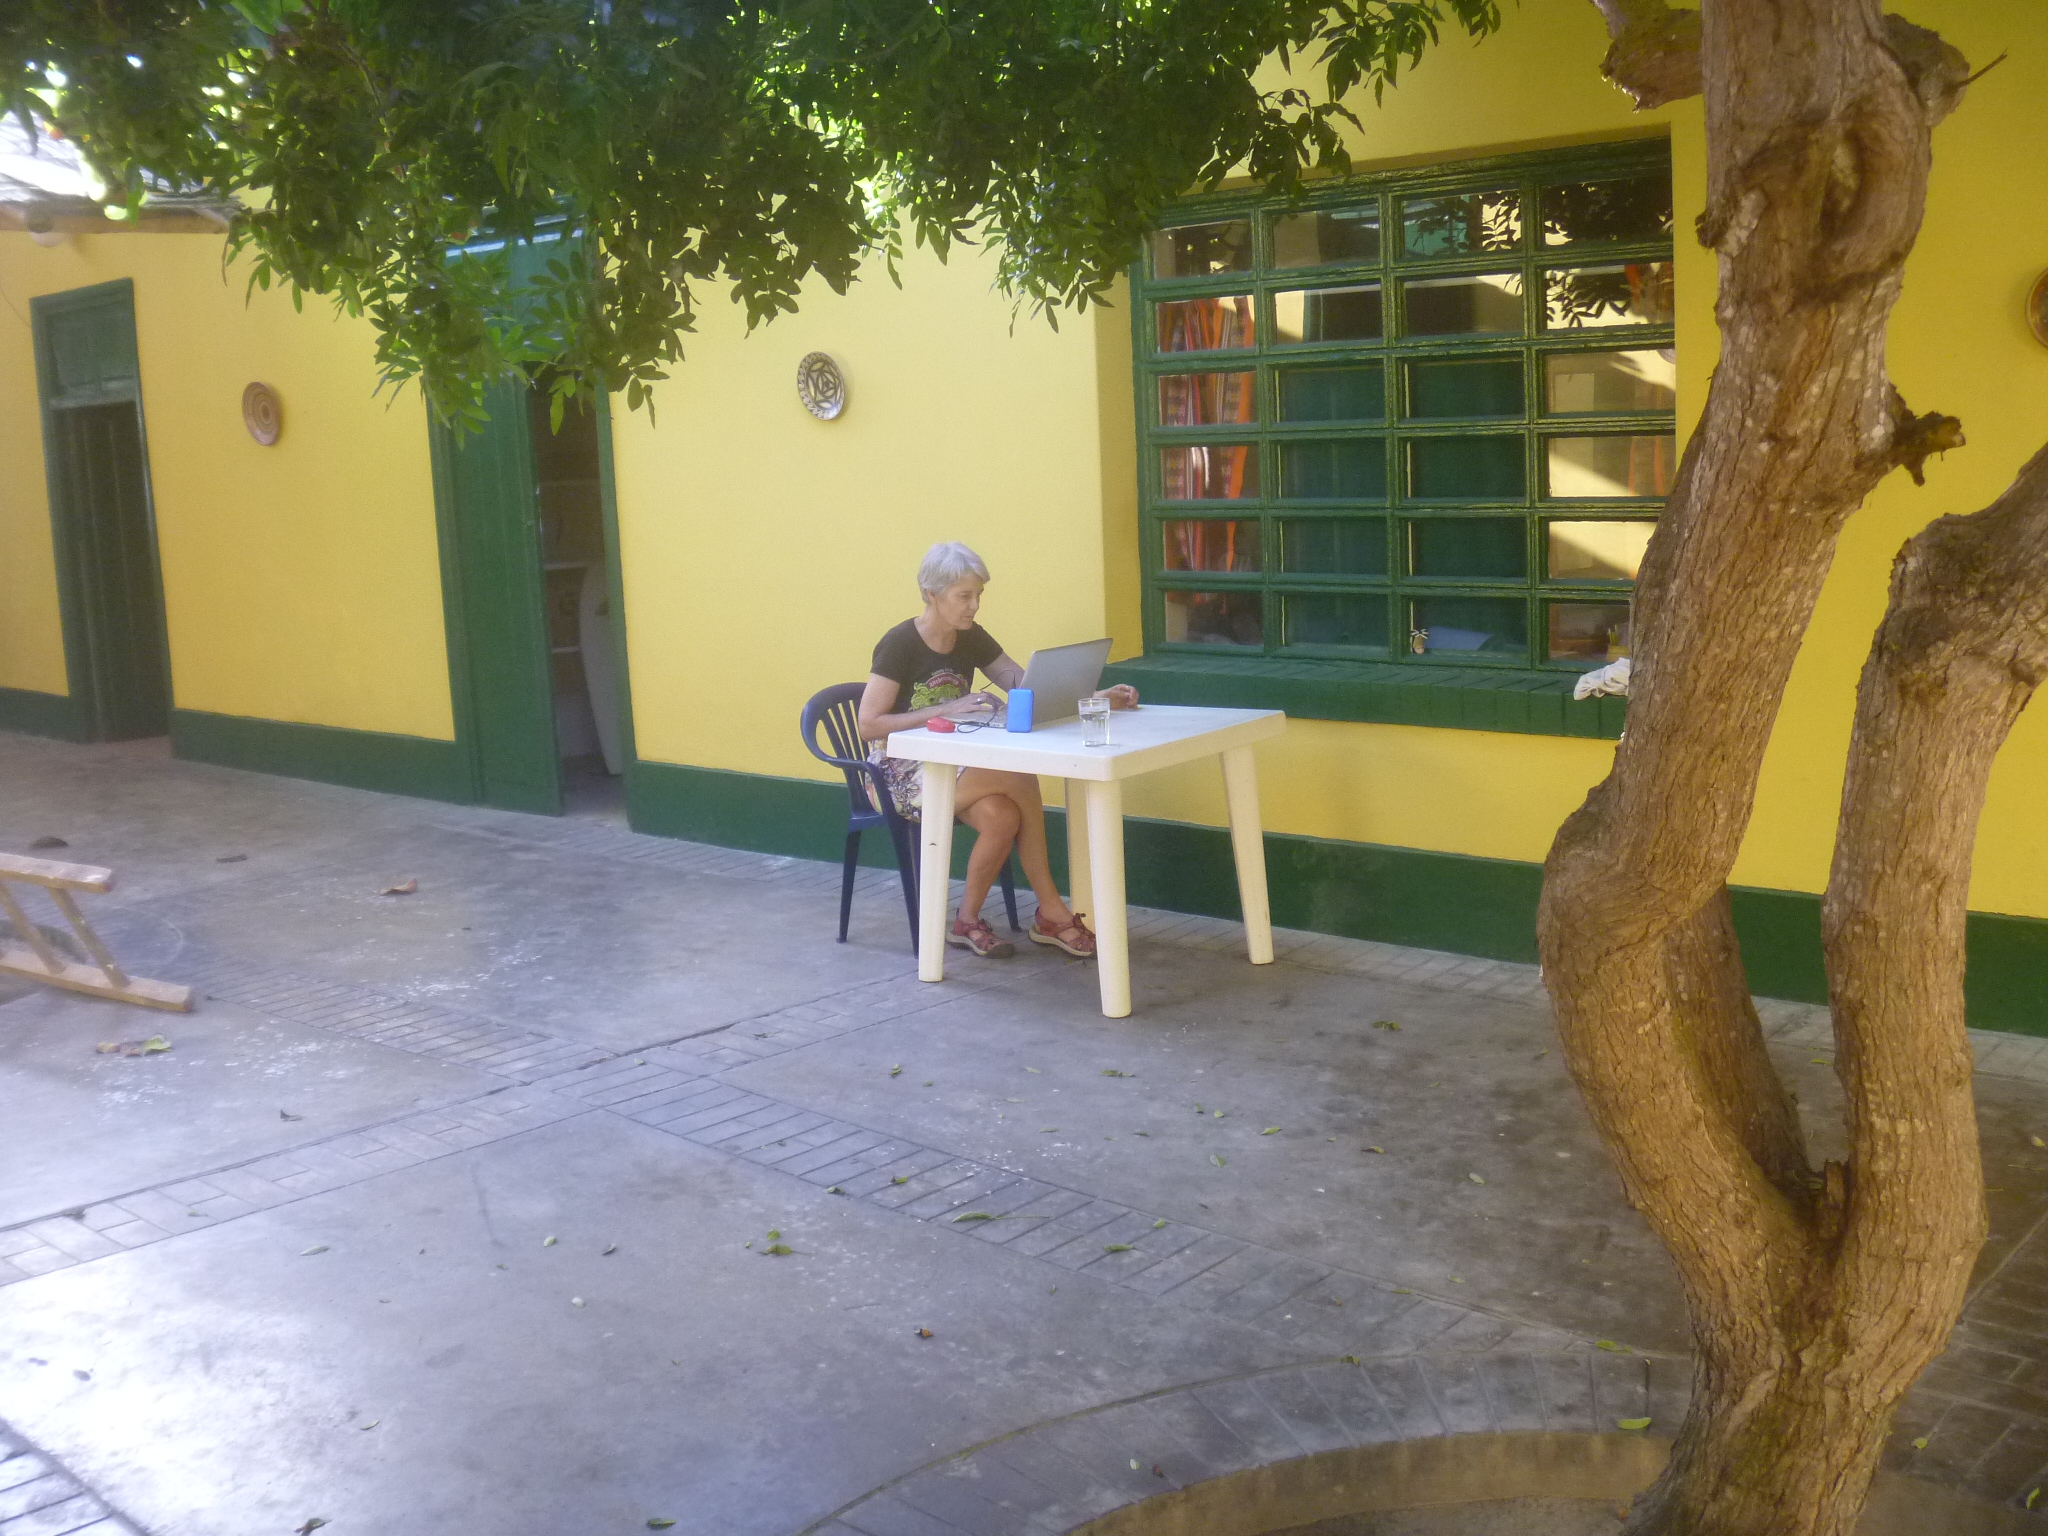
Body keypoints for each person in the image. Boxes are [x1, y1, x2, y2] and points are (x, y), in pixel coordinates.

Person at [859, 541, 1138, 959]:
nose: (974, 606)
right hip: (896, 775)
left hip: (955, 764)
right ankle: (1051, 911)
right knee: (1020, 777)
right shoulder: (899, 644)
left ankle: (966, 921)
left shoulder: (971, 636)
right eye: (964, 596)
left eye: (978, 595)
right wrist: (949, 707)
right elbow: (868, 724)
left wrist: (1095, 698)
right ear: (931, 594)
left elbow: (1026, 690)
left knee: (1002, 817)